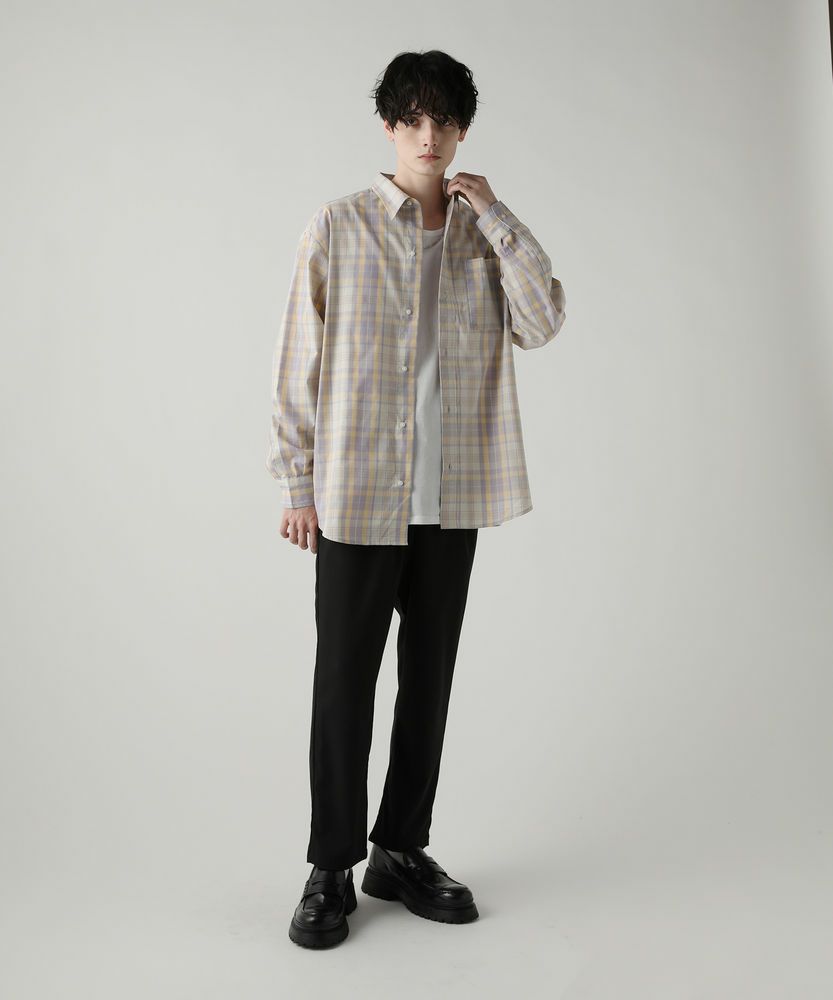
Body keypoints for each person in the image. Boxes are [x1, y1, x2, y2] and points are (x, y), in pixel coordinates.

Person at [266, 49, 566, 949]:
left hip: (451, 495)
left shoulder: (483, 235)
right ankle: (330, 865)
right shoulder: (339, 224)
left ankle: (399, 849)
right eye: (411, 120)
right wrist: (297, 483)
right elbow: (297, 361)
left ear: (463, 129)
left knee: (426, 683)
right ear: (388, 127)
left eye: (443, 120)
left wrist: (497, 214)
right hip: (356, 493)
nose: (427, 136)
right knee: (343, 684)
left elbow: (543, 321)